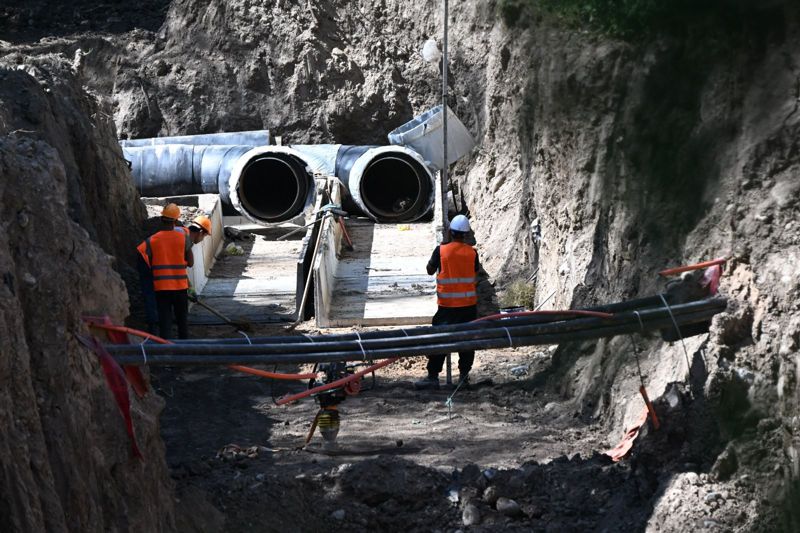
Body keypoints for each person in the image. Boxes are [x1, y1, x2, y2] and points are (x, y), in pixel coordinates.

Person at [415, 214, 480, 390]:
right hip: (468, 307)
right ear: (466, 235)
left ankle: (433, 376)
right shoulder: (472, 253)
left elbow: (430, 270)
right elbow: (475, 273)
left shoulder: (441, 251)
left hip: (447, 307)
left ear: (450, 232)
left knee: (439, 340)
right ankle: (463, 377)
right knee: (467, 342)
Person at [136, 207, 210, 339]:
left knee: (164, 313)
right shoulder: (183, 237)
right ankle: (154, 327)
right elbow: (186, 264)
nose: (202, 240)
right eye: (204, 236)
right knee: (152, 296)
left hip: (158, 274)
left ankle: (160, 333)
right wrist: (187, 287)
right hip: (149, 264)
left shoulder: (178, 234)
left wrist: (189, 287)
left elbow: (176, 267)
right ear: (200, 232)